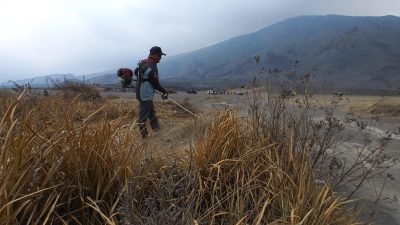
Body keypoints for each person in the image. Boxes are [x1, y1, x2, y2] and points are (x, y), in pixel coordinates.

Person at [135, 46, 168, 138]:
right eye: (159, 55)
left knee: (152, 115)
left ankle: (158, 133)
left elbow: (135, 72)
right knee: (142, 118)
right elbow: (155, 83)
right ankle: (144, 138)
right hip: (146, 95)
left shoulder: (141, 62)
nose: (160, 58)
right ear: (153, 55)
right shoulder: (152, 66)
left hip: (141, 92)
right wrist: (164, 91)